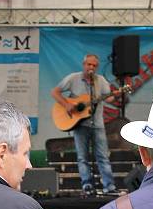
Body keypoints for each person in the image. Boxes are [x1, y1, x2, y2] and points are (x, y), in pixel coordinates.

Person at [51, 54, 119, 196]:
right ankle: (87, 185)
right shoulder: (73, 78)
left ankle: (109, 186)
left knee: (103, 156)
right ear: (84, 65)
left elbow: (110, 98)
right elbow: (55, 92)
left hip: (98, 124)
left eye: (94, 66)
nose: (91, 67)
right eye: (89, 64)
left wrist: (118, 94)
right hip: (79, 124)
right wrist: (67, 104)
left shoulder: (100, 81)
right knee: (82, 157)